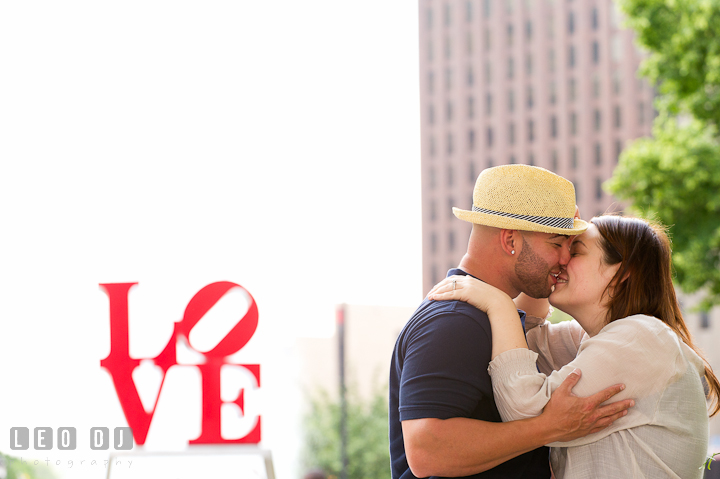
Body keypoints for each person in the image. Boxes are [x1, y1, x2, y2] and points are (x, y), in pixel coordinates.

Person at [389, 165, 635, 479]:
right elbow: (427, 449)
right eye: (556, 244)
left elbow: (533, 309)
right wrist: (548, 428)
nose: (566, 259)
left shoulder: (491, 314)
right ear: (510, 241)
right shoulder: (454, 322)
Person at [428, 214, 720, 478]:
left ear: (621, 273)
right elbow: (524, 342)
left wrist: (498, 303)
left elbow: (524, 409)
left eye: (575, 250)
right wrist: (541, 267)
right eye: (560, 248)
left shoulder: (641, 338)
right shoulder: (602, 338)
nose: (562, 259)